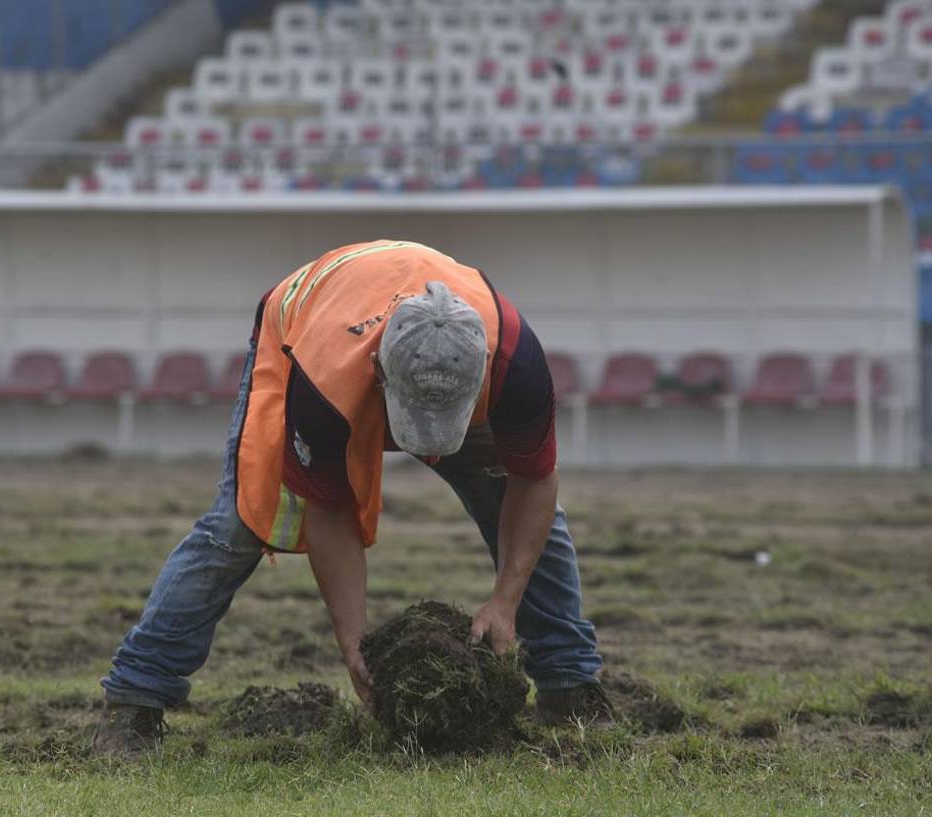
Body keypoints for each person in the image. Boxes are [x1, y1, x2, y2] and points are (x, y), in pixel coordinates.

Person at [94, 240, 608, 755]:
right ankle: (136, 696)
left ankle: (570, 684)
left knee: (526, 517)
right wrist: (354, 640)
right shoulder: (323, 385)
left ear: (481, 379)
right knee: (239, 526)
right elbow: (328, 510)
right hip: (300, 330)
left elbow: (535, 483)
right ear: (381, 375)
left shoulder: (516, 363)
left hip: (422, 339)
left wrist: (505, 602)